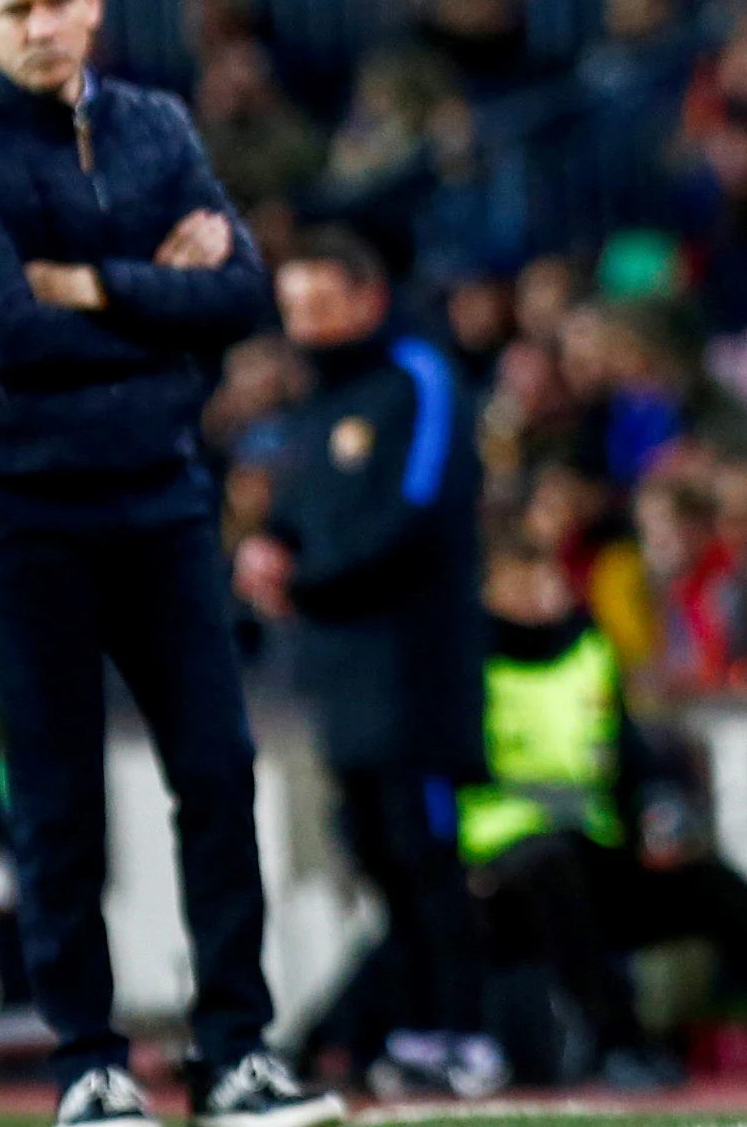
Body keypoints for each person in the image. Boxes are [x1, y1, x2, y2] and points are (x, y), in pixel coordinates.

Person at [0, 0, 343, 1127]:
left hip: (160, 495)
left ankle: (235, 1051)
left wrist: (91, 282)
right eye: (18, 7)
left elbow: (244, 294)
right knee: (57, 793)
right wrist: (165, 292)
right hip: (24, 506)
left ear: (94, 3)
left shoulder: (155, 125)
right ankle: (87, 1061)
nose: (44, 24)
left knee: (218, 769)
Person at [234, 227, 504, 1099]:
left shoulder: (418, 383)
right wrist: (268, 548)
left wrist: (303, 581)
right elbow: (300, 511)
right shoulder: (312, 409)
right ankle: (418, 1029)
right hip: (340, 668)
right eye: (295, 309)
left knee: (427, 855)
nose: (307, 325)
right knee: (379, 857)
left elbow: (416, 511)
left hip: (413, 665)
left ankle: (468, 1033)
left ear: (367, 297)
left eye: (321, 304)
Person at [464, 538, 747, 1085]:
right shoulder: (464, 664)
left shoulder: (588, 652)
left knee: (712, 885)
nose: (541, 595)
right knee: (553, 867)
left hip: (595, 856)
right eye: (522, 582)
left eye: (547, 580)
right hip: (500, 872)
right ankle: (617, 1047)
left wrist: (660, 810)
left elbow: (633, 759)